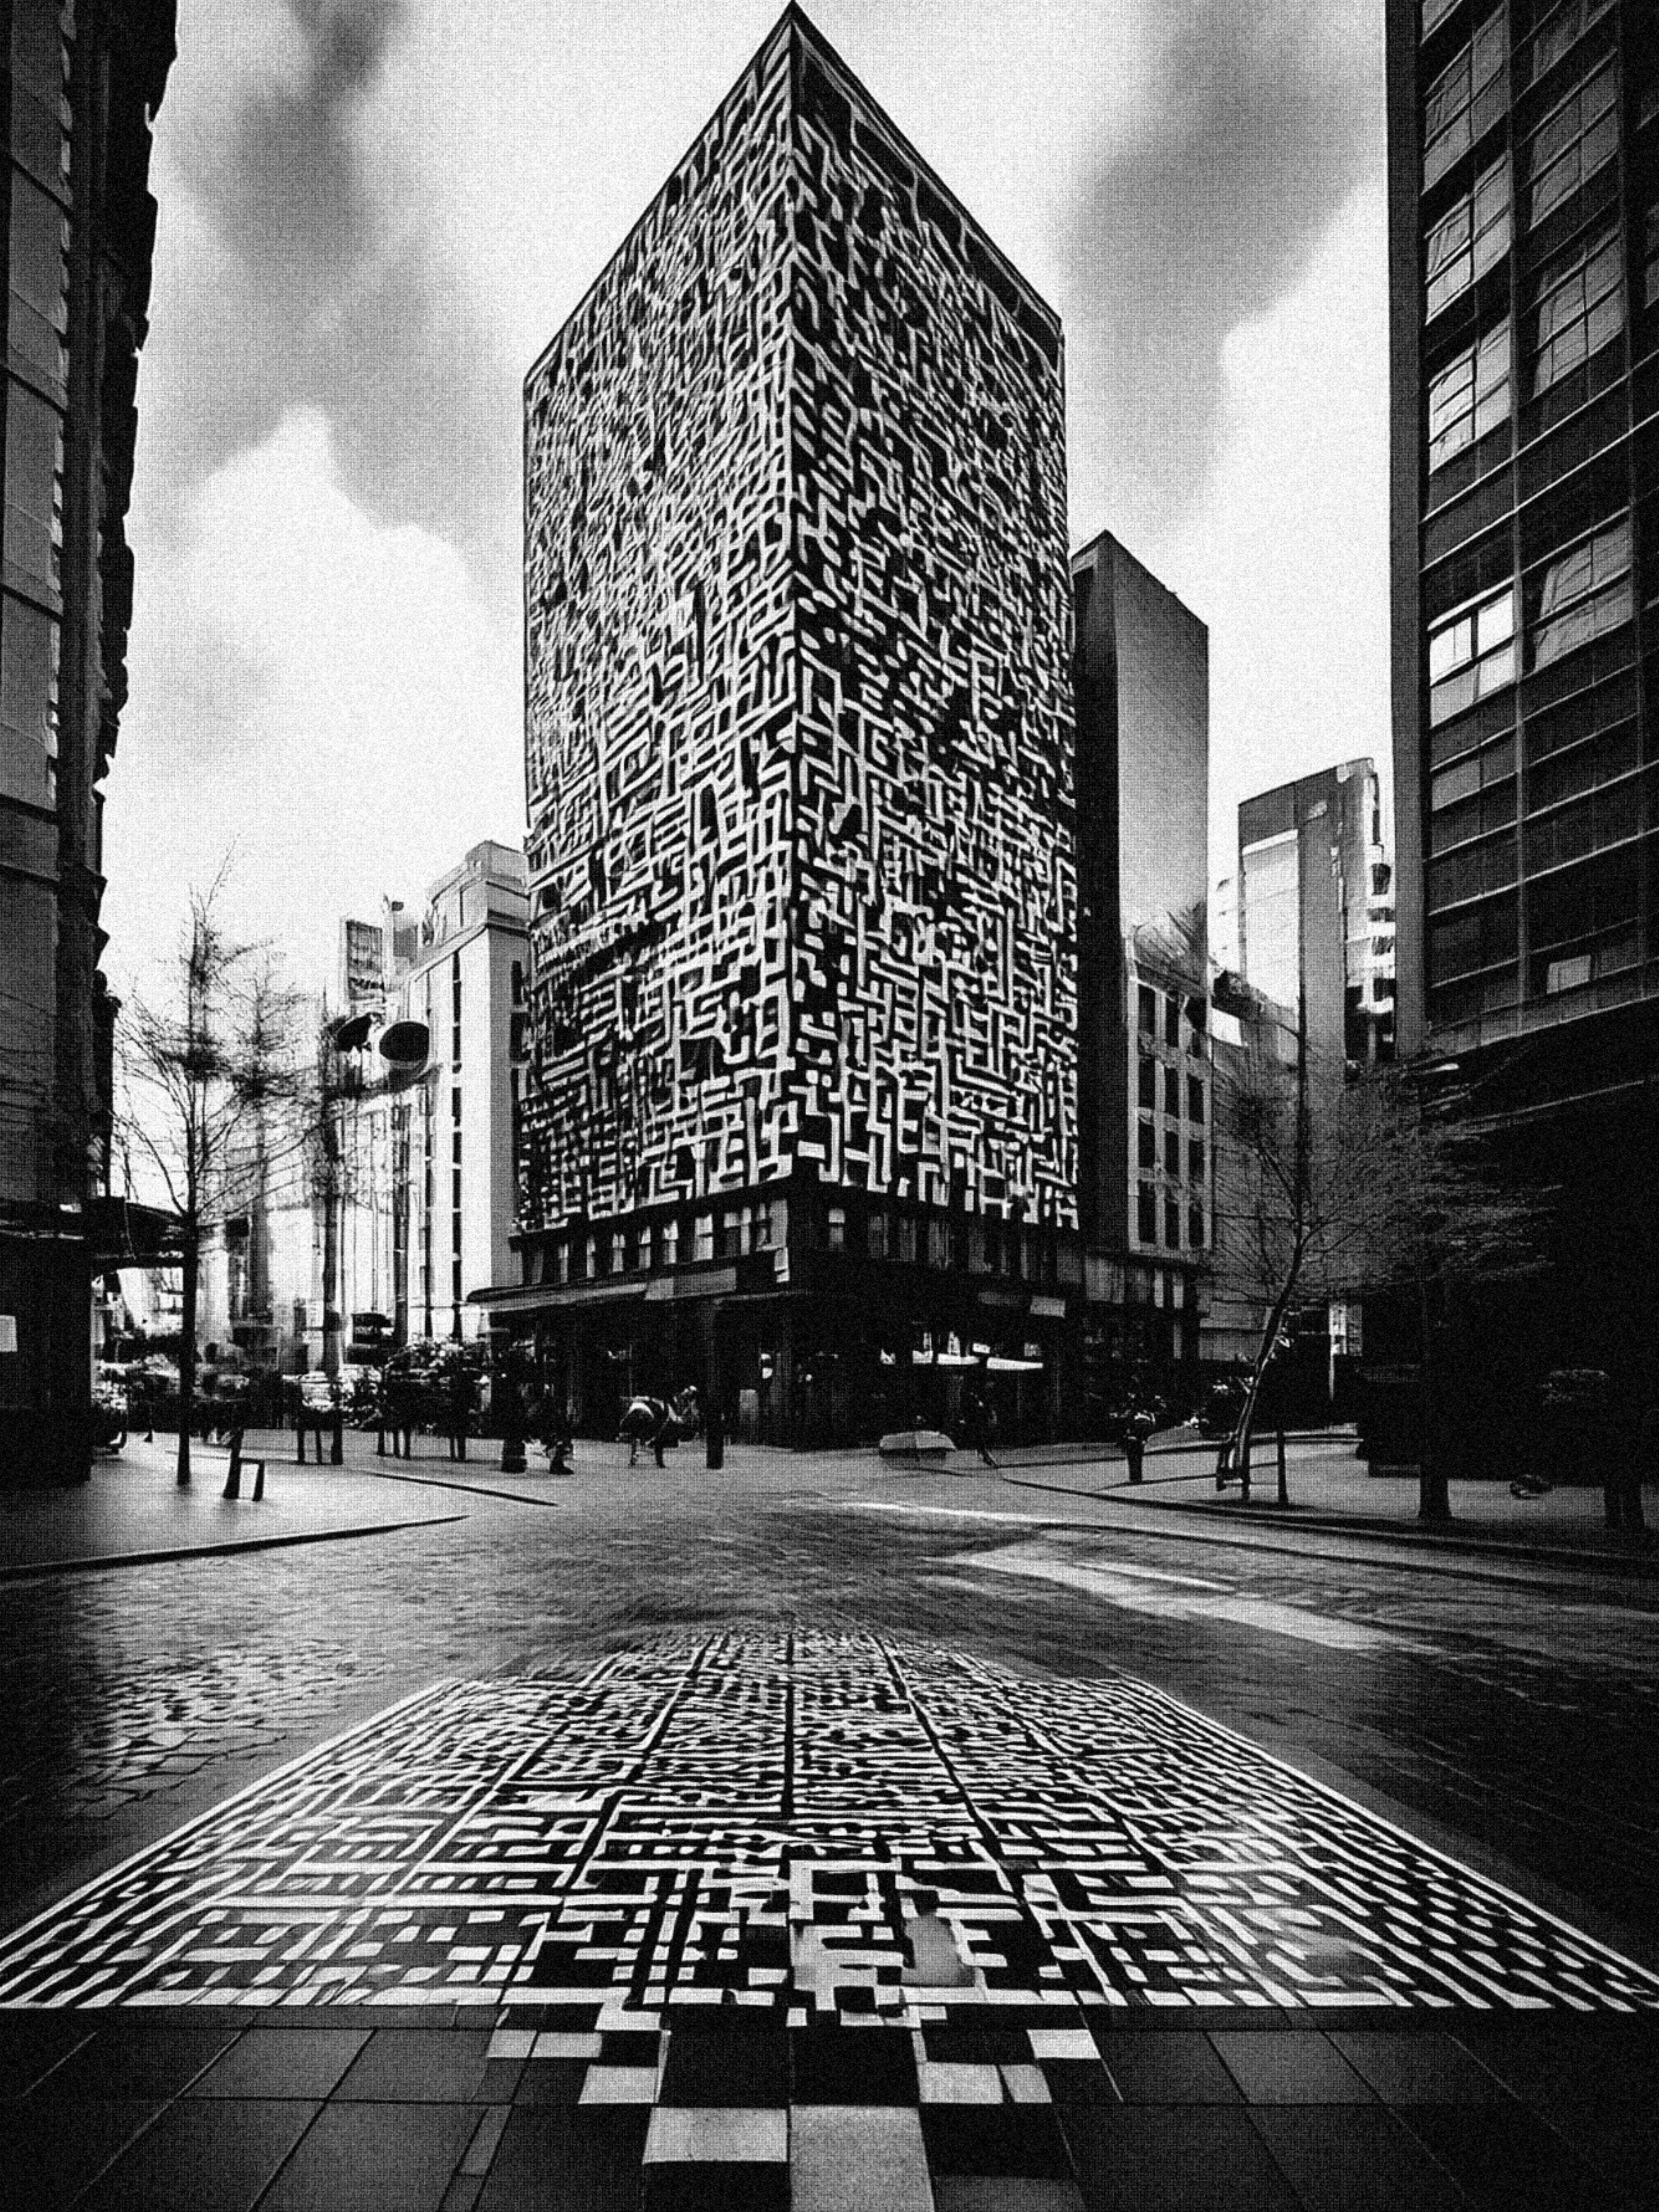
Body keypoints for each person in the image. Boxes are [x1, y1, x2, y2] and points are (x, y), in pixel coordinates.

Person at [446, 1364, 474, 1462]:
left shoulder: (454, 1382)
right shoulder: (467, 1382)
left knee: (454, 1432)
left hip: (455, 1409)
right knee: (461, 1434)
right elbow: (471, 1394)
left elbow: (450, 1393)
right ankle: (461, 1455)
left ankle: (454, 1454)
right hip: (463, 1410)